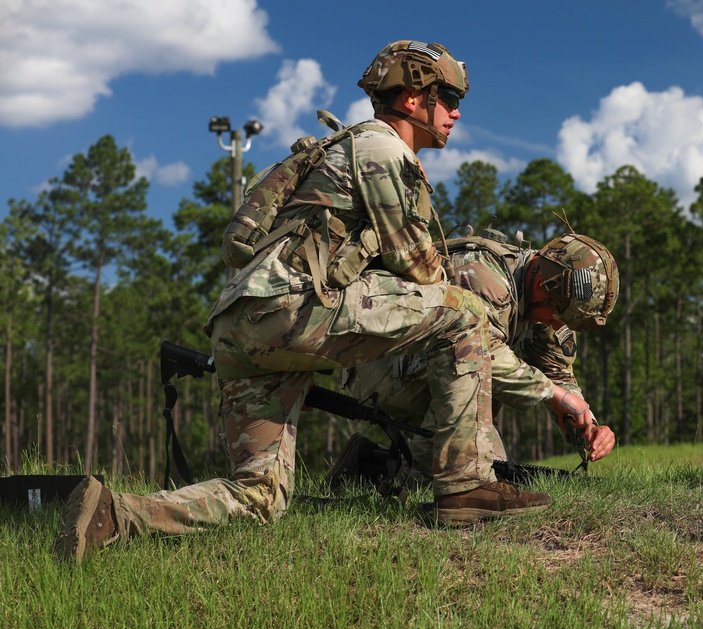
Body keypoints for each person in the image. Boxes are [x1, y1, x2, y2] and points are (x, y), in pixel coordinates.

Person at [55, 40, 593, 562]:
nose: (455, 114)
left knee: (260, 498)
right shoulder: (384, 149)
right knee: (462, 311)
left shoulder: (351, 147)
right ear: (412, 98)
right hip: (293, 308)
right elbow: (425, 272)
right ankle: (465, 489)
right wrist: (551, 394)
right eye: (449, 100)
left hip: (246, 324)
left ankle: (114, 515)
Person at [328, 228, 619, 490]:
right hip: (384, 363)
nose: (556, 325)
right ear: (543, 281)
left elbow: (558, 373)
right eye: (556, 313)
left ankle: (371, 464)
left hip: (423, 368)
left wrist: (587, 425)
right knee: (477, 472)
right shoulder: (484, 276)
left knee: (492, 468)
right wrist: (553, 395)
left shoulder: (549, 300)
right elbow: (478, 352)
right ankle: (419, 478)